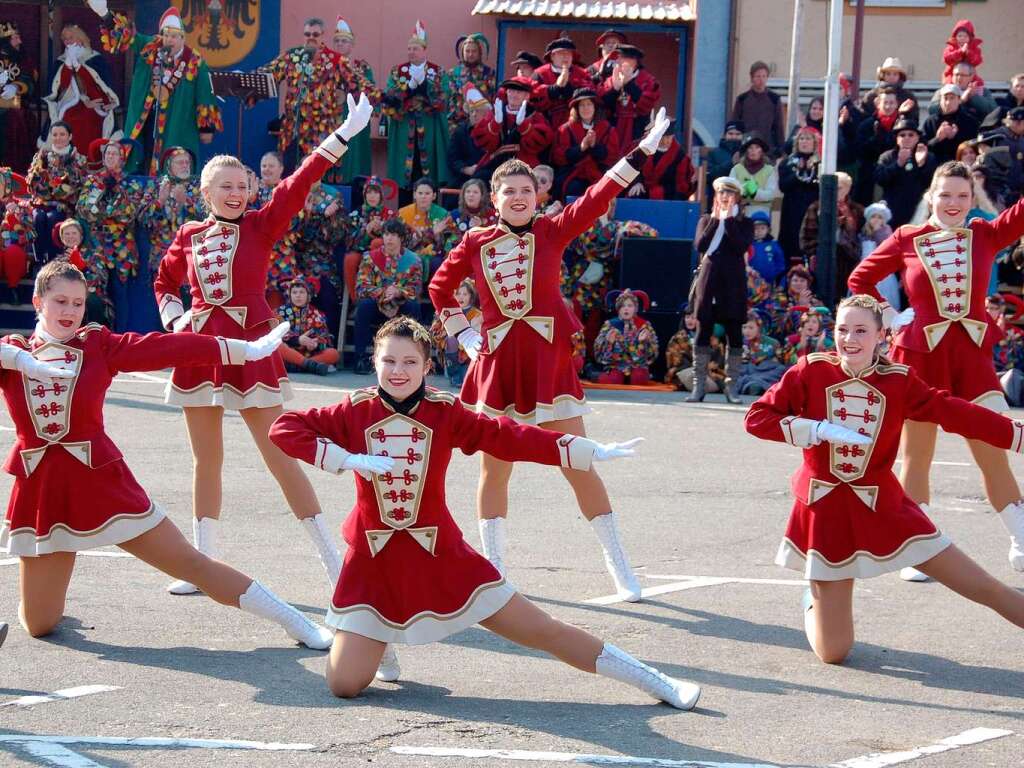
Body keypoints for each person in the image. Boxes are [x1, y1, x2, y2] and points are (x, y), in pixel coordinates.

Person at [268, 315, 700, 708]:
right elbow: (284, 428)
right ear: (374, 364)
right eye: (388, 361)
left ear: (427, 367)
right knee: (343, 684)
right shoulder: (354, 409)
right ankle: (381, 637)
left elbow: (509, 436)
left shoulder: (445, 411)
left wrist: (585, 450)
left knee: (540, 629)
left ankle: (655, 681)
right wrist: (344, 459)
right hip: (372, 560)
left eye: (409, 362)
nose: (398, 371)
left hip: (441, 556)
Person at [1, 259, 332, 650]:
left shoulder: (98, 345)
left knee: (192, 564)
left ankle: (295, 622)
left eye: (77, 303)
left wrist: (245, 350)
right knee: (39, 624)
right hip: (43, 493)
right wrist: (21, 359)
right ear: (38, 302)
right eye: (60, 302)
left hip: (101, 484)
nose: (70, 312)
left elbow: (169, 347)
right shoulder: (12, 353)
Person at [429, 109, 673, 601]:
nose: (518, 199)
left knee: (577, 461)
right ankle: (493, 572)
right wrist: (465, 333)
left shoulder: (554, 230)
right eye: (508, 192)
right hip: (497, 365)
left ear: (537, 196)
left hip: (547, 363)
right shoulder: (475, 241)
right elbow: (439, 286)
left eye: (526, 191)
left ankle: (618, 563)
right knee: (494, 468)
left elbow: (599, 194)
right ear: (493, 200)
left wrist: (641, 150)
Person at [151, 94, 373, 598]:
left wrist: (344, 133)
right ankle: (203, 564)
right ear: (205, 192)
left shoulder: (262, 223)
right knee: (205, 459)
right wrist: (175, 315)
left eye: (241, 186)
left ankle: (331, 562)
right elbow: (163, 282)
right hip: (201, 349)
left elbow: (301, 181)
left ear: (252, 190)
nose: (234, 193)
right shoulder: (187, 234)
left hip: (252, 343)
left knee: (280, 452)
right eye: (224, 186)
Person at [746, 293, 1024, 664]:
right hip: (824, 512)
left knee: (982, 586)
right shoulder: (810, 371)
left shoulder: (898, 381)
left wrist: (1016, 435)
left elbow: (954, 412)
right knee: (834, 652)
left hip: (885, 508)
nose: (850, 339)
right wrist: (814, 429)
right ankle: (812, 600)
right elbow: (757, 418)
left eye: (861, 330)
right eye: (843, 330)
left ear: (882, 336)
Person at [849, 161, 1024, 574]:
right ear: (931, 196)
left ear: (973, 200)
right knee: (917, 455)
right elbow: (860, 279)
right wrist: (890, 317)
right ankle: (915, 547)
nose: (954, 203)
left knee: (991, 450)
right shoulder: (907, 238)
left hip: (972, 358)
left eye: (963, 196)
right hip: (920, 355)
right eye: (946, 195)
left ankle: (1019, 536)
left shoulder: (985, 233)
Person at [88, 2, 221, 175]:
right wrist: (104, 14)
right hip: (146, 118)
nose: (169, 40)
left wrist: (206, 129)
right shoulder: (150, 47)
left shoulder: (195, 62)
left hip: (177, 123)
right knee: (139, 156)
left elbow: (205, 96)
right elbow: (127, 36)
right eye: (166, 35)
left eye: (174, 36)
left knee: (171, 164)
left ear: (183, 38)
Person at [688, 176, 753, 404]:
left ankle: (731, 387)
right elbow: (700, 246)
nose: (724, 197)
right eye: (721, 193)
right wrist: (717, 221)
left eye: (729, 193)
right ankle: (698, 387)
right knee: (702, 332)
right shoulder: (706, 219)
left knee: (733, 334)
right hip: (709, 282)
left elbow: (740, 246)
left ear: (737, 197)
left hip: (732, 285)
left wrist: (730, 221)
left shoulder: (744, 222)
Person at [564, 199, 657, 355]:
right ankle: (575, 358)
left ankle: (592, 358)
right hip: (581, 280)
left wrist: (626, 231)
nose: (611, 208)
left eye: (613, 205)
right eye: (608, 204)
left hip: (603, 283)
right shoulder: (583, 223)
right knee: (576, 320)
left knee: (597, 320)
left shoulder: (617, 226)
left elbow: (652, 232)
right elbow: (588, 244)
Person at [266, 17, 355, 169]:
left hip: (321, 134)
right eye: (307, 34)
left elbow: (357, 83)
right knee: (289, 178)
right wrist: (243, 80)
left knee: (317, 181)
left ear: (322, 36)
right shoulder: (292, 57)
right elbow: (268, 74)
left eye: (315, 35)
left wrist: (383, 97)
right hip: (292, 132)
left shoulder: (336, 60)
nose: (311, 38)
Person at [75, 138, 146, 327]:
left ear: (122, 158)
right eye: (108, 154)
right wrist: (102, 199)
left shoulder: (131, 182)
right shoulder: (93, 180)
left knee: (120, 292)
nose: (110, 157)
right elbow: (83, 208)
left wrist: (111, 199)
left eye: (115, 154)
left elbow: (130, 214)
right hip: (97, 244)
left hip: (122, 245)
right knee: (95, 292)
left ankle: (120, 335)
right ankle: (96, 334)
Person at [382, 21, 449, 192]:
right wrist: (408, 89)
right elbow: (389, 97)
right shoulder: (397, 71)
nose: (411, 52)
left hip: (428, 130)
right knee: (405, 172)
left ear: (424, 50)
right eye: (409, 48)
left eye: (416, 48)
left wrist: (425, 87)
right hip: (405, 129)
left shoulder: (438, 71)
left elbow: (443, 99)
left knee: (426, 171)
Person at [353, 217, 423, 373]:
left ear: (401, 238)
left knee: (414, 307)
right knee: (364, 308)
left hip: (400, 306)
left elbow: (416, 289)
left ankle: (415, 357)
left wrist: (399, 292)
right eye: (386, 234)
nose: (389, 238)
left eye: (393, 235)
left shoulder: (413, 261)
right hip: (377, 305)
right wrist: (383, 293)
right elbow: (361, 286)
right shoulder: (370, 258)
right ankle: (361, 359)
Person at [43, 24, 119, 155]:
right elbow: (59, 88)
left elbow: (101, 87)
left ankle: (90, 163)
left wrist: (79, 67)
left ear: (80, 38)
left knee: (89, 120)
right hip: (67, 103)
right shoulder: (61, 61)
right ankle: (64, 160)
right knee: (67, 119)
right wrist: (68, 65)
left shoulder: (95, 59)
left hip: (94, 105)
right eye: (65, 39)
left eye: (70, 38)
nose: (67, 42)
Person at [26, 122, 88, 264]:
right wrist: (41, 175)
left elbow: (79, 187)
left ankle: (54, 260)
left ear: (70, 136)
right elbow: (33, 185)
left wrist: (65, 179)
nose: (58, 138)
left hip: (65, 205)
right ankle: (39, 260)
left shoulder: (78, 158)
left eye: (62, 134)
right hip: (42, 203)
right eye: (55, 135)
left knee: (54, 218)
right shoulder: (41, 156)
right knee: (39, 218)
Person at [331, 17, 380, 184]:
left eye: (344, 41)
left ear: (352, 45)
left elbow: (370, 95)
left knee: (354, 163)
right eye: (337, 41)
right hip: (331, 122)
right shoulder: (325, 68)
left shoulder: (362, 69)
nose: (340, 44)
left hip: (353, 123)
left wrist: (348, 95)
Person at [139, 147, 201, 279]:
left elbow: (207, 217)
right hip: (161, 256)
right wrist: (160, 201)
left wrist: (186, 203)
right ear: (169, 165)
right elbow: (142, 219)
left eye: (187, 162)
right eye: (180, 162)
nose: (185, 166)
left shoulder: (198, 186)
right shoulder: (156, 186)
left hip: (191, 254)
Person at [472, 77, 554, 176]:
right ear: (506, 93)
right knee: (479, 178)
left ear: (527, 96)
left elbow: (541, 143)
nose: (514, 95)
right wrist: (495, 124)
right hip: (496, 161)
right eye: (511, 91)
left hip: (524, 163)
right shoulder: (495, 112)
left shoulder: (535, 116)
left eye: (518, 92)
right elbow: (484, 144)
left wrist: (524, 125)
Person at [800, 172, 863, 299]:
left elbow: (864, 235)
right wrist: (815, 253)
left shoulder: (857, 209)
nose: (835, 191)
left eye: (839, 188)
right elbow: (806, 238)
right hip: (824, 258)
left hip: (851, 261)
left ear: (848, 188)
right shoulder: (817, 207)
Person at [553, 88, 621, 199]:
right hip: (573, 173)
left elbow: (612, 157)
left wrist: (595, 147)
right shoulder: (565, 129)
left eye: (589, 104)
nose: (586, 108)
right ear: (576, 109)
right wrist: (581, 148)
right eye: (582, 105)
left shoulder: (608, 129)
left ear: (595, 107)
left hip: (600, 173)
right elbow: (558, 157)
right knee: (572, 187)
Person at [874, 119, 937, 228]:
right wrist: (898, 163)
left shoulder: (928, 156)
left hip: (919, 210)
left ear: (917, 138)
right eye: (902, 135)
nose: (906, 138)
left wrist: (921, 164)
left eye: (911, 135)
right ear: (897, 139)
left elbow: (931, 183)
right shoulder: (887, 157)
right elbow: (880, 179)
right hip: (893, 210)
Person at [596, 45, 660, 149]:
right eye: (617, 58)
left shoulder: (648, 80)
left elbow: (646, 106)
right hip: (613, 132)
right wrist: (614, 90)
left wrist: (629, 84)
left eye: (621, 57)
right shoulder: (612, 78)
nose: (618, 60)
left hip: (637, 131)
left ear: (634, 61)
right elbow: (602, 104)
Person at [276, 275, 339, 376]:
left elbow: (324, 337)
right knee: (277, 346)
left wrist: (315, 344)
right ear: (289, 295)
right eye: (294, 292)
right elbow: (276, 334)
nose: (298, 295)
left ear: (308, 295)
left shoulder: (317, 314)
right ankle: (309, 366)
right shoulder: (280, 312)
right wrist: (298, 340)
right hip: (288, 352)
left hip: (309, 354)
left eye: (302, 292)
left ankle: (298, 366)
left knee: (333, 353)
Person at [593, 289, 659, 385]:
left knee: (639, 377)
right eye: (622, 306)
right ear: (618, 309)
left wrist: (643, 343)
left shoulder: (644, 325)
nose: (626, 309)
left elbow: (652, 355)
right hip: (616, 366)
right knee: (612, 379)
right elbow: (600, 356)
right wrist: (609, 344)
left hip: (637, 366)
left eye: (629, 306)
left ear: (635, 308)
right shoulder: (609, 325)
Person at [777, 126, 821, 265]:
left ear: (814, 142)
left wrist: (811, 171)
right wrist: (799, 172)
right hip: (792, 209)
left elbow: (819, 186)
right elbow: (783, 185)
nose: (804, 142)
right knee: (790, 243)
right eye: (802, 138)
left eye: (808, 138)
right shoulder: (787, 163)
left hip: (811, 210)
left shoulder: (821, 164)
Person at [430, 277, 482, 387]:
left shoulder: (476, 314)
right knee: (451, 338)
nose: (461, 297)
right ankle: (453, 372)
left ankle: (463, 372)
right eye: (458, 294)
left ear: (471, 296)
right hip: (449, 349)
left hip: (467, 351)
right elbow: (435, 332)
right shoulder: (446, 310)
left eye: (465, 294)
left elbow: (477, 333)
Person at [626, 119, 695, 201]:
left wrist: (655, 193)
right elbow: (630, 166)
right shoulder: (641, 147)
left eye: (669, 137)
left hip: (667, 195)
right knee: (634, 195)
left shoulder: (680, 156)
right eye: (662, 137)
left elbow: (680, 185)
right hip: (641, 189)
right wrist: (636, 182)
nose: (666, 141)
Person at [532, 37, 592, 130]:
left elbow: (590, 98)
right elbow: (532, 99)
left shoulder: (582, 74)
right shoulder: (539, 74)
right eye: (561, 53)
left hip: (576, 125)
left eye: (569, 53)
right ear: (552, 56)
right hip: (546, 125)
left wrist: (568, 88)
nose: (566, 56)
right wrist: (555, 89)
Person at [0, 21, 36, 172]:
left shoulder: (23, 59)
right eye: (15, 38)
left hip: (14, 110)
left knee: (16, 119)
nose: (19, 41)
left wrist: (16, 86)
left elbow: (31, 79)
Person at [397, 177, 449, 278]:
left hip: (435, 255)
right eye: (420, 193)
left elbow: (450, 240)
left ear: (434, 196)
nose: (423, 197)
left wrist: (439, 237)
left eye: (427, 194)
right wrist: (432, 232)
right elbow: (401, 241)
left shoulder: (443, 214)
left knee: (437, 263)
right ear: (414, 194)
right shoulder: (403, 213)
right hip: (409, 253)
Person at [730, 61, 784, 156]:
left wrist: (780, 150)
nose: (761, 79)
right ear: (752, 78)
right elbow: (735, 125)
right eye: (758, 76)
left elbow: (778, 127)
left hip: (768, 149)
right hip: (746, 148)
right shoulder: (742, 99)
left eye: (764, 76)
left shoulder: (774, 99)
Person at [446, 33, 496, 134]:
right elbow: (449, 99)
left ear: (480, 53)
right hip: (457, 125)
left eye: (474, 51)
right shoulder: (453, 74)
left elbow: (493, 98)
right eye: (467, 51)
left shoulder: (489, 73)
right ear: (462, 53)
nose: (470, 54)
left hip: (482, 125)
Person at [923, 85, 981, 165]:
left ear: (959, 100)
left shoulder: (970, 121)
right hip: (935, 166)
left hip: (962, 165)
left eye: (952, 98)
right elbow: (923, 148)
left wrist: (955, 137)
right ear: (940, 100)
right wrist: (938, 139)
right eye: (945, 98)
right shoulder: (930, 121)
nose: (948, 102)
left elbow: (974, 147)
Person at [734, 309, 785, 396]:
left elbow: (780, 366)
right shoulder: (737, 343)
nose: (747, 331)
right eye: (744, 327)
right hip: (744, 375)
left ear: (759, 327)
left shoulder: (773, 343)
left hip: (764, 375)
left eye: (751, 327)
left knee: (780, 370)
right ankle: (749, 385)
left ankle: (755, 385)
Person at [859, 201, 900, 310]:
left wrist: (878, 231)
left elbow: (886, 247)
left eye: (880, 217)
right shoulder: (864, 232)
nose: (876, 220)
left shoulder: (886, 232)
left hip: (881, 271)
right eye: (873, 217)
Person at [447, 87, 490, 188]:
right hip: (464, 179)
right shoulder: (460, 131)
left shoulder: (493, 131)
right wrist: (466, 169)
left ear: (485, 113)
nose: (474, 114)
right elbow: (452, 159)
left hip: (487, 179)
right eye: (471, 111)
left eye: (478, 111)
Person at [0, 168, 31, 305]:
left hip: (13, 250)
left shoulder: (19, 205)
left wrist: (14, 217)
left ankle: (14, 290)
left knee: (13, 252)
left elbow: (28, 233)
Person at [730, 133, 777, 216]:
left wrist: (754, 192)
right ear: (746, 151)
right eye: (750, 148)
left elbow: (770, 194)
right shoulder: (736, 169)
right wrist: (742, 191)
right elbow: (730, 191)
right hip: (739, 212)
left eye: (757, 147)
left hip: (761, 212)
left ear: (762, 151)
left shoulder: (770, 170)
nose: (753, 151)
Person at [942, 19, 984, 86]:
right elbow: (947, 59)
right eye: (960, 36)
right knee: (949, 86)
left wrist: (968, 52)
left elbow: (977, 61)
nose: (962, 38)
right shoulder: (951, 47)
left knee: (978, 84)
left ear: (970, 38)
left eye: (965, 36)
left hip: (968, 75)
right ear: (955, 37)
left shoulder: (974, 48)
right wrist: (960, 52)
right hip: (952, 74)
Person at [705, 121, 744, 192]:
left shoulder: (748, 152)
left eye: (738, 134)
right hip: (720, 194)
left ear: (743, 136)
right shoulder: (714, 153)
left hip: (744, 195)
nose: (734, 137)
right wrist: (730, 163)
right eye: (730, 134)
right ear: (724, 135)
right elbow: (709, 175)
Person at [748, 211, 785, 285]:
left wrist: (782, 284)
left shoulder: (774, 245)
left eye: (762, 228)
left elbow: (781, 266)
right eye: (756, 228)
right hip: (751, 284)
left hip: (770, 284)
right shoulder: (748, 245)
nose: (759, 231)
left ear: (768, 229)